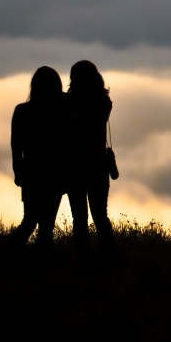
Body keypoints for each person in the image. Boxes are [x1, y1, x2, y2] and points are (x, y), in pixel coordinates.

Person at [8, 66, 67, 250]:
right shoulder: (61, 111)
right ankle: (41, 266)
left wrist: (18, 171)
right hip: (54, 173)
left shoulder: (22, 111)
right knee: (46, 226)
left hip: (31, 172)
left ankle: (9, 255)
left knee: (30, 221)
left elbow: (16, 146)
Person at [65, 59, 118, 260]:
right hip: (97, 165)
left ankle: (83, 259)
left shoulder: (70, 103)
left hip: (75, 166)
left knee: (80, 217)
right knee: (99, 216)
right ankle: (109, 257)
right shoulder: (103, 101)